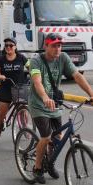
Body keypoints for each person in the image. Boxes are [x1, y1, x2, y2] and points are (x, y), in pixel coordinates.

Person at [29, 33, 93, 184]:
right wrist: (45, 98)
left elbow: (77, 76)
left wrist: (91, 93)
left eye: (59, 45)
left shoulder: (63, 57)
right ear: (46, 46)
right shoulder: (36, 61)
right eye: (54, 45)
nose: (58, 49)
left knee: (57, 137)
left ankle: (50, 162)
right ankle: (37, 168)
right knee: (45, 137)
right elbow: (37, 82)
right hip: (38, 104)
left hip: (54, 103)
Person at [0, 37, 29, 139]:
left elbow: (30, 67)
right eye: (6, 46)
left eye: (11, 45)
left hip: (19, 88)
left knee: (23, 111)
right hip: (6, 88)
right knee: (3, 111)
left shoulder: (21, 58)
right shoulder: (1, 59)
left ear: (15, 47)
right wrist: (0, 76)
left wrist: (35, 75)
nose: (8, 47)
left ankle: (25, 128)